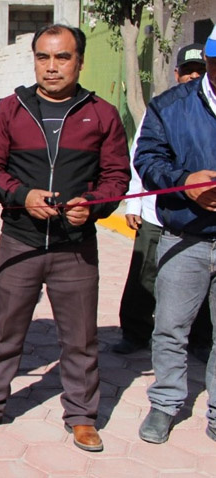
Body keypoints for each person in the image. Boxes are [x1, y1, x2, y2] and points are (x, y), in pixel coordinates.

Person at [0, 24, 130, 452]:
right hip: (20, 240)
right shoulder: (10, 108)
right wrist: (22, 196)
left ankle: (82, 415)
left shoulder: (102, 113)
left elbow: (116, 177)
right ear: (33, 59)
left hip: (75, 248)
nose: (52, 67)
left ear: (79, 61)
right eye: (43, 57)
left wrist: (92, 204)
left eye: (62, 57)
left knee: (80, 337)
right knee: (5, 331)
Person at [132, 25, 216, 445]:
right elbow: (147, 158)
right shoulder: (170, 106)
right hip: (185, 236)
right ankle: (165, 404)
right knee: (170, 327)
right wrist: (186, 181)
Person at [113, 43, 212, 359]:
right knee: (145, 275)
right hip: (157, 213)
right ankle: (135, 332)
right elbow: (142, 158)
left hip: (200, 223)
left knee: (197, 286)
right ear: (177, 73)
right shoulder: (165, 109)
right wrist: (132, 203)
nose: (192, 76)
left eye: (199, 71)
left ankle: (198, 340)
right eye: (187, 71)